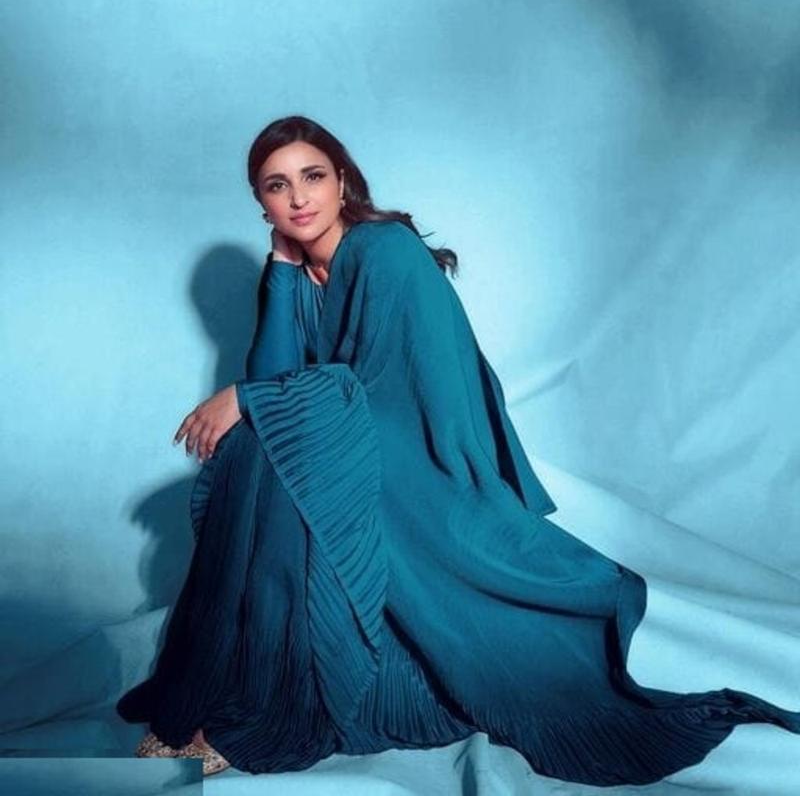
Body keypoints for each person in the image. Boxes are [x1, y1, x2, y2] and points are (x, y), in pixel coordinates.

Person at [117, 115, 800, 783]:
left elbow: (390, 393)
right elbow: (275, 379)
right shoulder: (297, 273)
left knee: (275, 447)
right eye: (277, 186)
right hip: (358, 441)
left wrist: (250, 397)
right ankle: (253, 677)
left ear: (342, 180)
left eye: (312, 176)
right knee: (258, 450)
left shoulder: (385, 251)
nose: (298, 197)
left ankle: (276, 700)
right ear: (261, 204)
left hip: (423, 450)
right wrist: (281, 275)